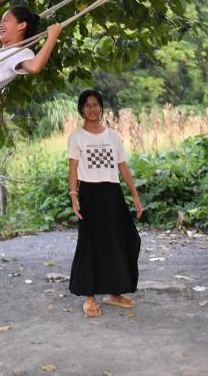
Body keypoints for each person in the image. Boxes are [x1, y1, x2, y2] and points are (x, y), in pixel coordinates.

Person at [67, 89, 143, 317]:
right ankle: (89, 298)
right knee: (90, 244)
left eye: (96, 104)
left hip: (112, 194)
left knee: (121, 241)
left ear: (101, 108)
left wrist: (135, 194)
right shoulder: (76, 137)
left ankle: (114, 293)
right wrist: (74, 195)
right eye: (88, 105)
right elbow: (73, 169)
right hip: (89, 195)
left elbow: (122, 167)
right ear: (81, 109)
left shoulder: (113, 136)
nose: (92, 109)